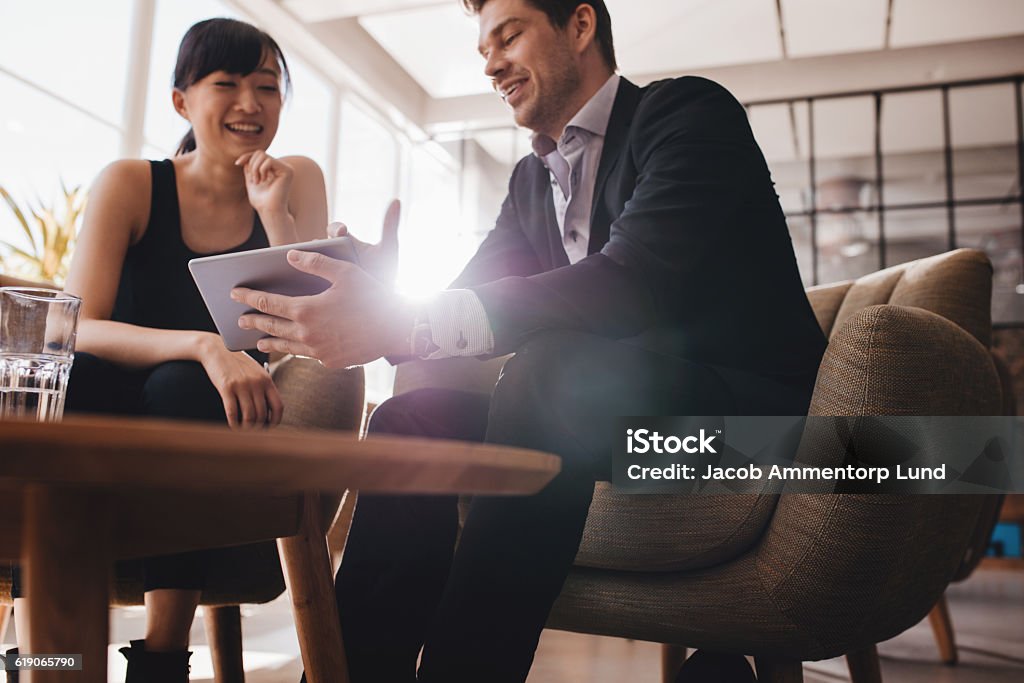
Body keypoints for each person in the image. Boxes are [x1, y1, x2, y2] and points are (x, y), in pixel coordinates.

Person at [233, 1, 826, 681]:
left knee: (553, 373)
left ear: (579, 26)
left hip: (754, 434)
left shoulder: (687, 116)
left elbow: (631, 283)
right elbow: (467, 304)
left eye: (508, 35)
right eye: (483, 47)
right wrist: (381, 286)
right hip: (611, 422)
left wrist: (406, 320)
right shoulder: (530, 182)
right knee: (414, 418)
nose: (490, 63)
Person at [7, 17, 327, 683]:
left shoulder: (296, 179)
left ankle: (160, 658)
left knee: (188, 390)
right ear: (182, 101)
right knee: (78, 385)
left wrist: (275, 214)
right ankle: (46, 658)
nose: (250, 103)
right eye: (227, 84)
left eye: (267, 86)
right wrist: (204, 345)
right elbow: (75, 327)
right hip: (113, 399)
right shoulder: (131, 183)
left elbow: (308, 322)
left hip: (220, 415)